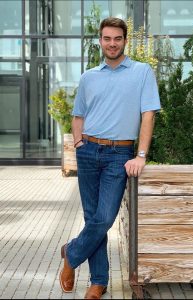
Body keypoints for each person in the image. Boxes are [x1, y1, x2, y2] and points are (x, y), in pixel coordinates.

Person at [59, 17, 161, 299]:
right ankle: (99, 281)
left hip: (120, 154)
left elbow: (148, 114)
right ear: (100, 41)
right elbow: (78, 115)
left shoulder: (141, 72)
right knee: (94, 218)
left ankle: (71, 254)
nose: (112, 43)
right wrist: (79, 144)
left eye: (117, 38)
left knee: (104, 218)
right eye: (107, 38)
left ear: (125, 41)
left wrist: (141, 155)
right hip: (89, 151)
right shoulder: (89, 76)